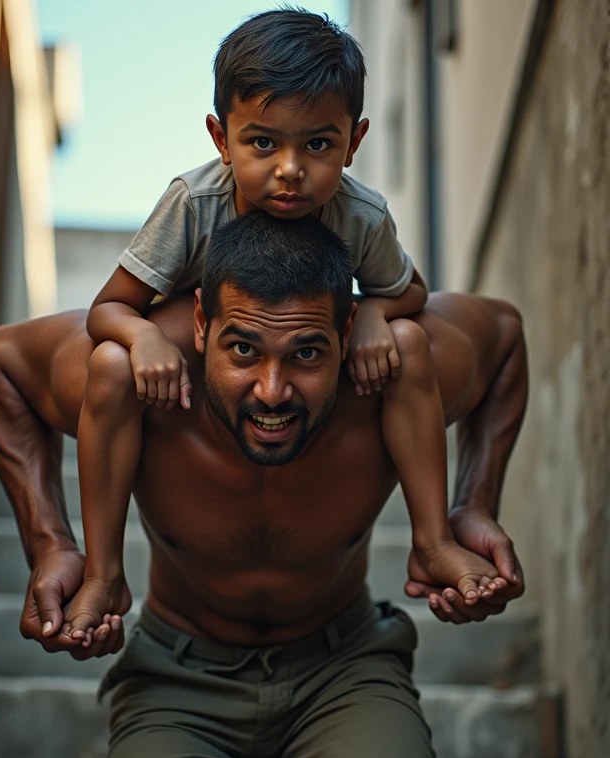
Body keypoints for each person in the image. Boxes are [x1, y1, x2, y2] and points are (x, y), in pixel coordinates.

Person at [0, 212, 527, 758]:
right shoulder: (141, 380)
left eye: (307, 354)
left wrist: (472, 504)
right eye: (243, 351)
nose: (274, 392)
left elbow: (506, 338)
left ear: (349, 335)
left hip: (343, 661)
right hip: (179, 673)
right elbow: (6, 367)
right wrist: (52, 544)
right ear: (199, 325)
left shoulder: (396, 375)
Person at [66, 9, 509, 643]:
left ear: (353, 142)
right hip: (212, 370)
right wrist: (142, 337)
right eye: (264, 142)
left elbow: (410, 291)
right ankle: (103, 571)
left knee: (409, 346)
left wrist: (377, 316)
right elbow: (107, 309)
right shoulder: (193, 205)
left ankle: (433, 539)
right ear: (222, 139)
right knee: (107, 363)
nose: (290, 170)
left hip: (311, 365)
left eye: (318, 145)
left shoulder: (360, 215)